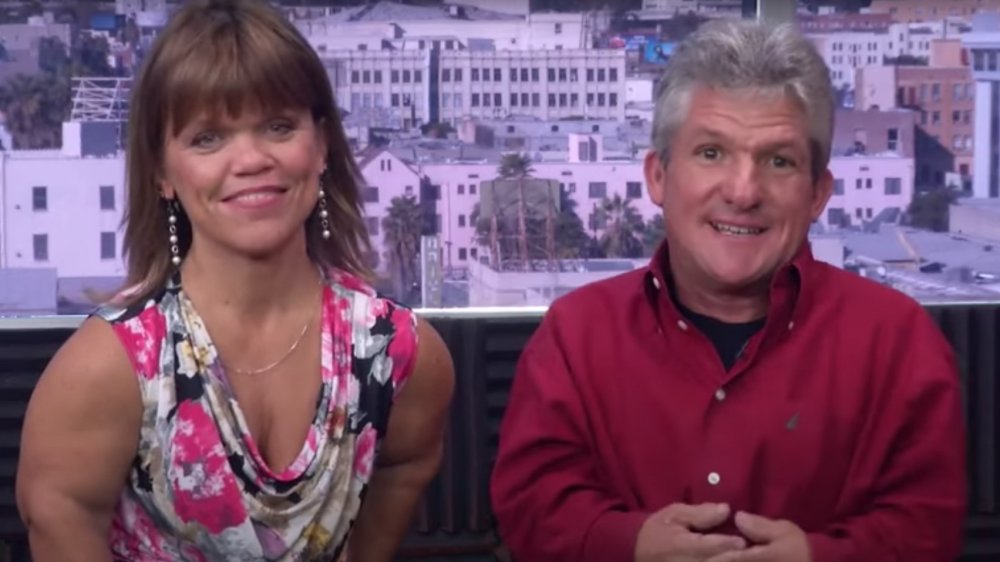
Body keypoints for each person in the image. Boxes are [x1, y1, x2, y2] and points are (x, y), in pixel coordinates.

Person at [490, 19, 966, 562]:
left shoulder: (900, 342)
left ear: (817, 193)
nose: (743, 192)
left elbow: (928, 528)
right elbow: (528, 506)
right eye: (711, 153)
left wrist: (819, 557)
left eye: (778, 161)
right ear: (658, 176)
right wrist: (629, 545)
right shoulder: (575, 335)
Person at [16, 1, 454, 560]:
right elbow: (59, 516)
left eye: (278, 126)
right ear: (162, 173)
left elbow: (406, 467)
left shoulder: (404, 358)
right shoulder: (106, 369)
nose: (250, 159)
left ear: (320, 146)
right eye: (208, 138)